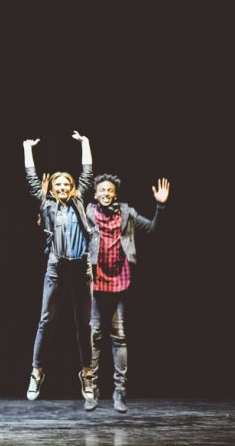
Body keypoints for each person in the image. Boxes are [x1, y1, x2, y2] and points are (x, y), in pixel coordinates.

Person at [23, 131, 98, 409]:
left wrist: (85, 143)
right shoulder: (47, 203)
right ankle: (36, 372)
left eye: (67, 182)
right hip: (55, 267)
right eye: (59, 183)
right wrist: (27, 149)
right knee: (46, 321)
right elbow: (32, 181)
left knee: (83, 325)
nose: (64, 185)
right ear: (53, 188)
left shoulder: (78, 201)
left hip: (80, 269)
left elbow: (88, 174)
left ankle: (87, 374)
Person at [86, 174, 169, 412]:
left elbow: (152, 229)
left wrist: (160, 206)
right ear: (95, 194)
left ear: (115, 194)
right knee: (94, 337)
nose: (105, 193)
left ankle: (120, 392)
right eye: (101, 189)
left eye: (109, 190)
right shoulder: (87, 213)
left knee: (118, 337)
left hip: (118, 282)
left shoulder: (127, 213)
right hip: (94, 283)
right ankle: (91, 391)